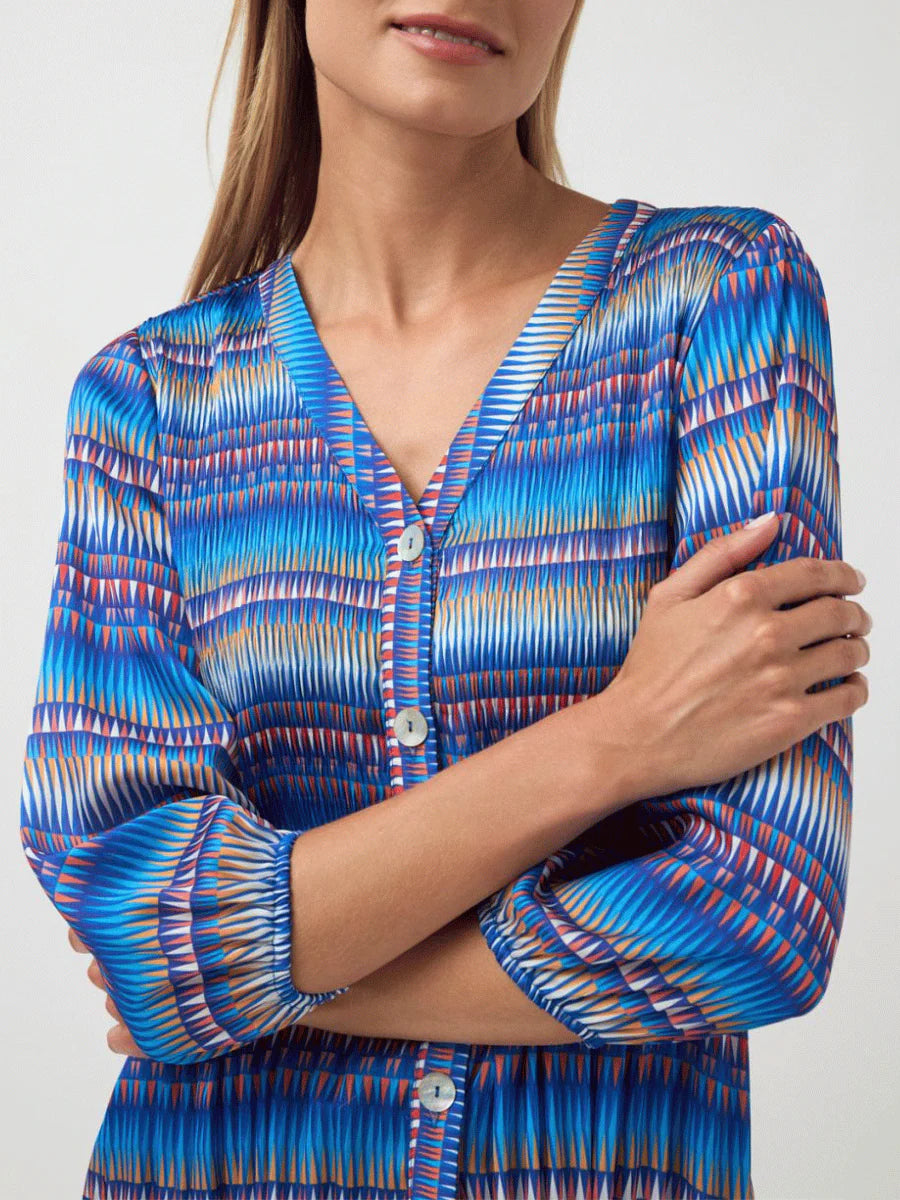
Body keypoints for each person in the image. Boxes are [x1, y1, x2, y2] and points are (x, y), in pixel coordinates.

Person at [19, 2, 871, 1198]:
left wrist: (232, 978)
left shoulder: (715, 300)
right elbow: (135, 916)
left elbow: (753, 923)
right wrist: (615, 740)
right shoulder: (149, 403)